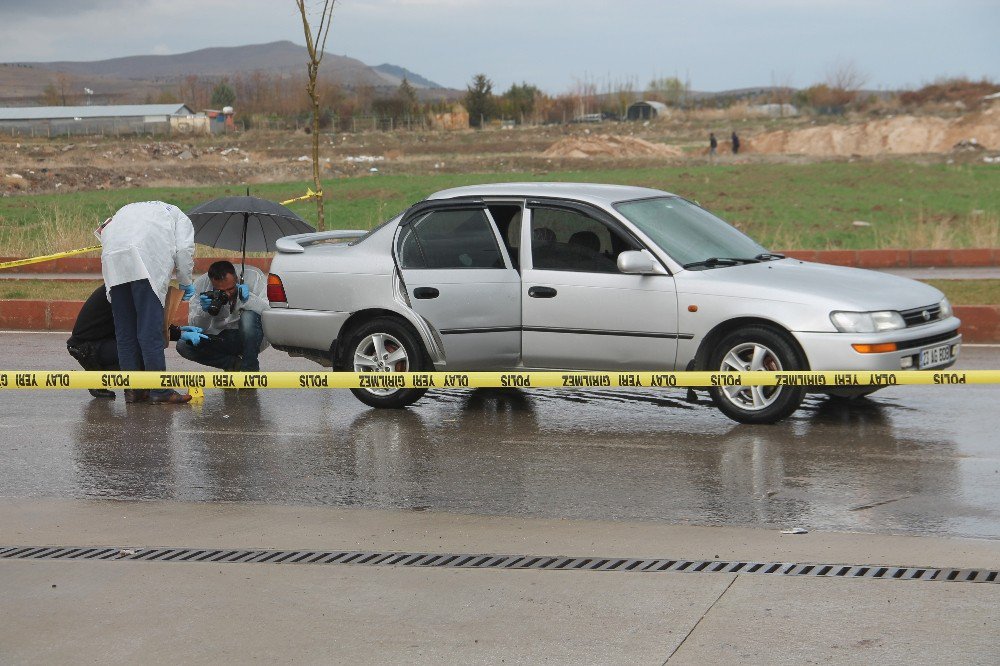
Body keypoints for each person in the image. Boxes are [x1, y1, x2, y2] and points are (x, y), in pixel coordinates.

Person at [98, 201, 196, 404]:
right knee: (149, 330)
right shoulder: (179, 216)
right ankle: (160, 391)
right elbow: (185, 249)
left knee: (125, 332)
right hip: (145, 262)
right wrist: (186, 281)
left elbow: (104, 231)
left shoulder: (126, 209)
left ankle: (134, 390)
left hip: (114, 261)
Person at [176, 260, 269, 372]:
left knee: (248, 317)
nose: (227, 294)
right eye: (221, 291)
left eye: (230, 289)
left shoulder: (254, 277)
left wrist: (248, 299)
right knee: (183, 344)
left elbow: (267, 311)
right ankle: (234, 364)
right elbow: (197, 328)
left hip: (251, 337)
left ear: (236, 279)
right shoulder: (201, 285)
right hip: (219, 337)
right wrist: (205, 312)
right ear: (212, 283)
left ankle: (249, 369)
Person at [67, 284, 119, 399]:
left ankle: (97, 376)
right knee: (137, 352)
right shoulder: (119, 290)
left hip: (95, 340)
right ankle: (95, 377)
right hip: (86, 346)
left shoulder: (115, 285)